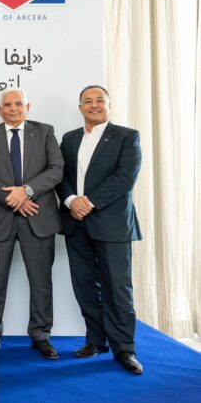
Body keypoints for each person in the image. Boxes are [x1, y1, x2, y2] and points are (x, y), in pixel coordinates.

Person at [57, 85, 143, 374]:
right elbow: (60, 176)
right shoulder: (69, 138)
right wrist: (71, 200)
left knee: (118, 288)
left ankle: (125, 348)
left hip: (112, 223)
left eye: (99, 100)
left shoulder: (127, 136)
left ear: (109, 104)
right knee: (85, 286)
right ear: (80, 107)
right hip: (75, 222)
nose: (93, 105)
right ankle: (95, 340)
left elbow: (125, 178)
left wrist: (88, 202)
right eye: (87, 101)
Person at [0, 88, 63, 359]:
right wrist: (13, 199)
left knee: (41, 281)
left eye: (18, 104)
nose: (13, 109)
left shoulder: (45, 132)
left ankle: (41, 334)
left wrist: (26, 191)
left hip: (38, 217)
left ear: (28, 107)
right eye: (7, 105)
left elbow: (56, 170)